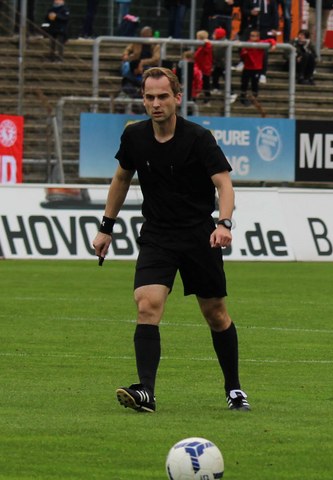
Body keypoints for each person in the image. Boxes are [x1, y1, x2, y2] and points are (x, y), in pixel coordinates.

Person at [92, 67, 249, 414]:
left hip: (199, 235)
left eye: (163, 96)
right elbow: (121, 179)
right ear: (143, 99)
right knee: (146, 304)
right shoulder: (134, 137)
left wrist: (224, 223)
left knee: (216, 313)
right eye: (149, 97)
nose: (156, 103)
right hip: (158, 235)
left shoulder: (199, 138)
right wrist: (106, 227)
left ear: (177, 98)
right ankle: (146, 391)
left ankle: (235, 389)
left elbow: (224, 184)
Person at [238, 29, 275, 105]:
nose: (252, 37)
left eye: (254, 36)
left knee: (254, 84)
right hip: (247, 68)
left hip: (257, 68)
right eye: (251, 36)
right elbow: (242, 54)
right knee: (244, 83)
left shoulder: (261, 43)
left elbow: (271, 40)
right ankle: (243, 98)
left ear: (258, 37)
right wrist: (244, 53)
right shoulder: (247, 44)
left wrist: (274, 45)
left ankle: (254, 99)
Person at [193, 29, 214, 101]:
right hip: (200, 68)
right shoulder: (201, 47)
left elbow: (208, 48)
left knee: (205, 84)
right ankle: (197, 97)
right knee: (199, 83)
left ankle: (207, 98)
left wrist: (206, 42)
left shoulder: (207, 46)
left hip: (204, 69)